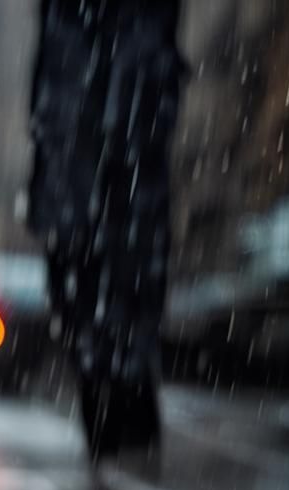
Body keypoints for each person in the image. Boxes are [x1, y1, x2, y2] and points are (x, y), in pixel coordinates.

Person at [28, 0, 185, 466]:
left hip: (116, 179)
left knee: (119, 310)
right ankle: (114, 443)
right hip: (79, 183)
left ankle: (123, 441)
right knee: (92, 314)